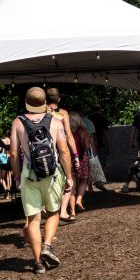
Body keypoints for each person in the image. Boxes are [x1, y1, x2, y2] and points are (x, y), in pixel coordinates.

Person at [9, 87, 73, 275]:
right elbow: (63, 151)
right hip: (52, 174)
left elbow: (13, 153)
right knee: (53, 212)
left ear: (26, 102)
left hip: (29, 174)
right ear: (45, 102)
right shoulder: (55, 121)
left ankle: (37, 262)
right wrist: (69, 176)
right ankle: (47, 246)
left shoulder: (18, 122)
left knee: (33, 219)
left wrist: (17, 175)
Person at [46, 88, 80, 221]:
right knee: (69, 180)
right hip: (61, 150)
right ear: (58, 99)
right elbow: (69, 135)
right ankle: (63, 211)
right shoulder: (63, 113)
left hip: (45, 152)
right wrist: (75, 154)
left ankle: (47, 208)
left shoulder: (40, 112)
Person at [68, 111, 93, 213]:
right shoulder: (83, 130)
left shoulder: (66, 131)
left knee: (72, 185)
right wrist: (89, 142)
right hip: (82, 158)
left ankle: (72, 210)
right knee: (83, 180)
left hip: (70, 159)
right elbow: (87, 147)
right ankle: (79, 200)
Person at [0, 130, 13, 199]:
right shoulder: (11, 140)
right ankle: (8, 195)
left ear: (4, 134)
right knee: (9, 178)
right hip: (10, 160)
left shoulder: (2, 141)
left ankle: (5, 189)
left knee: (1, 178)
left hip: (3, 160)